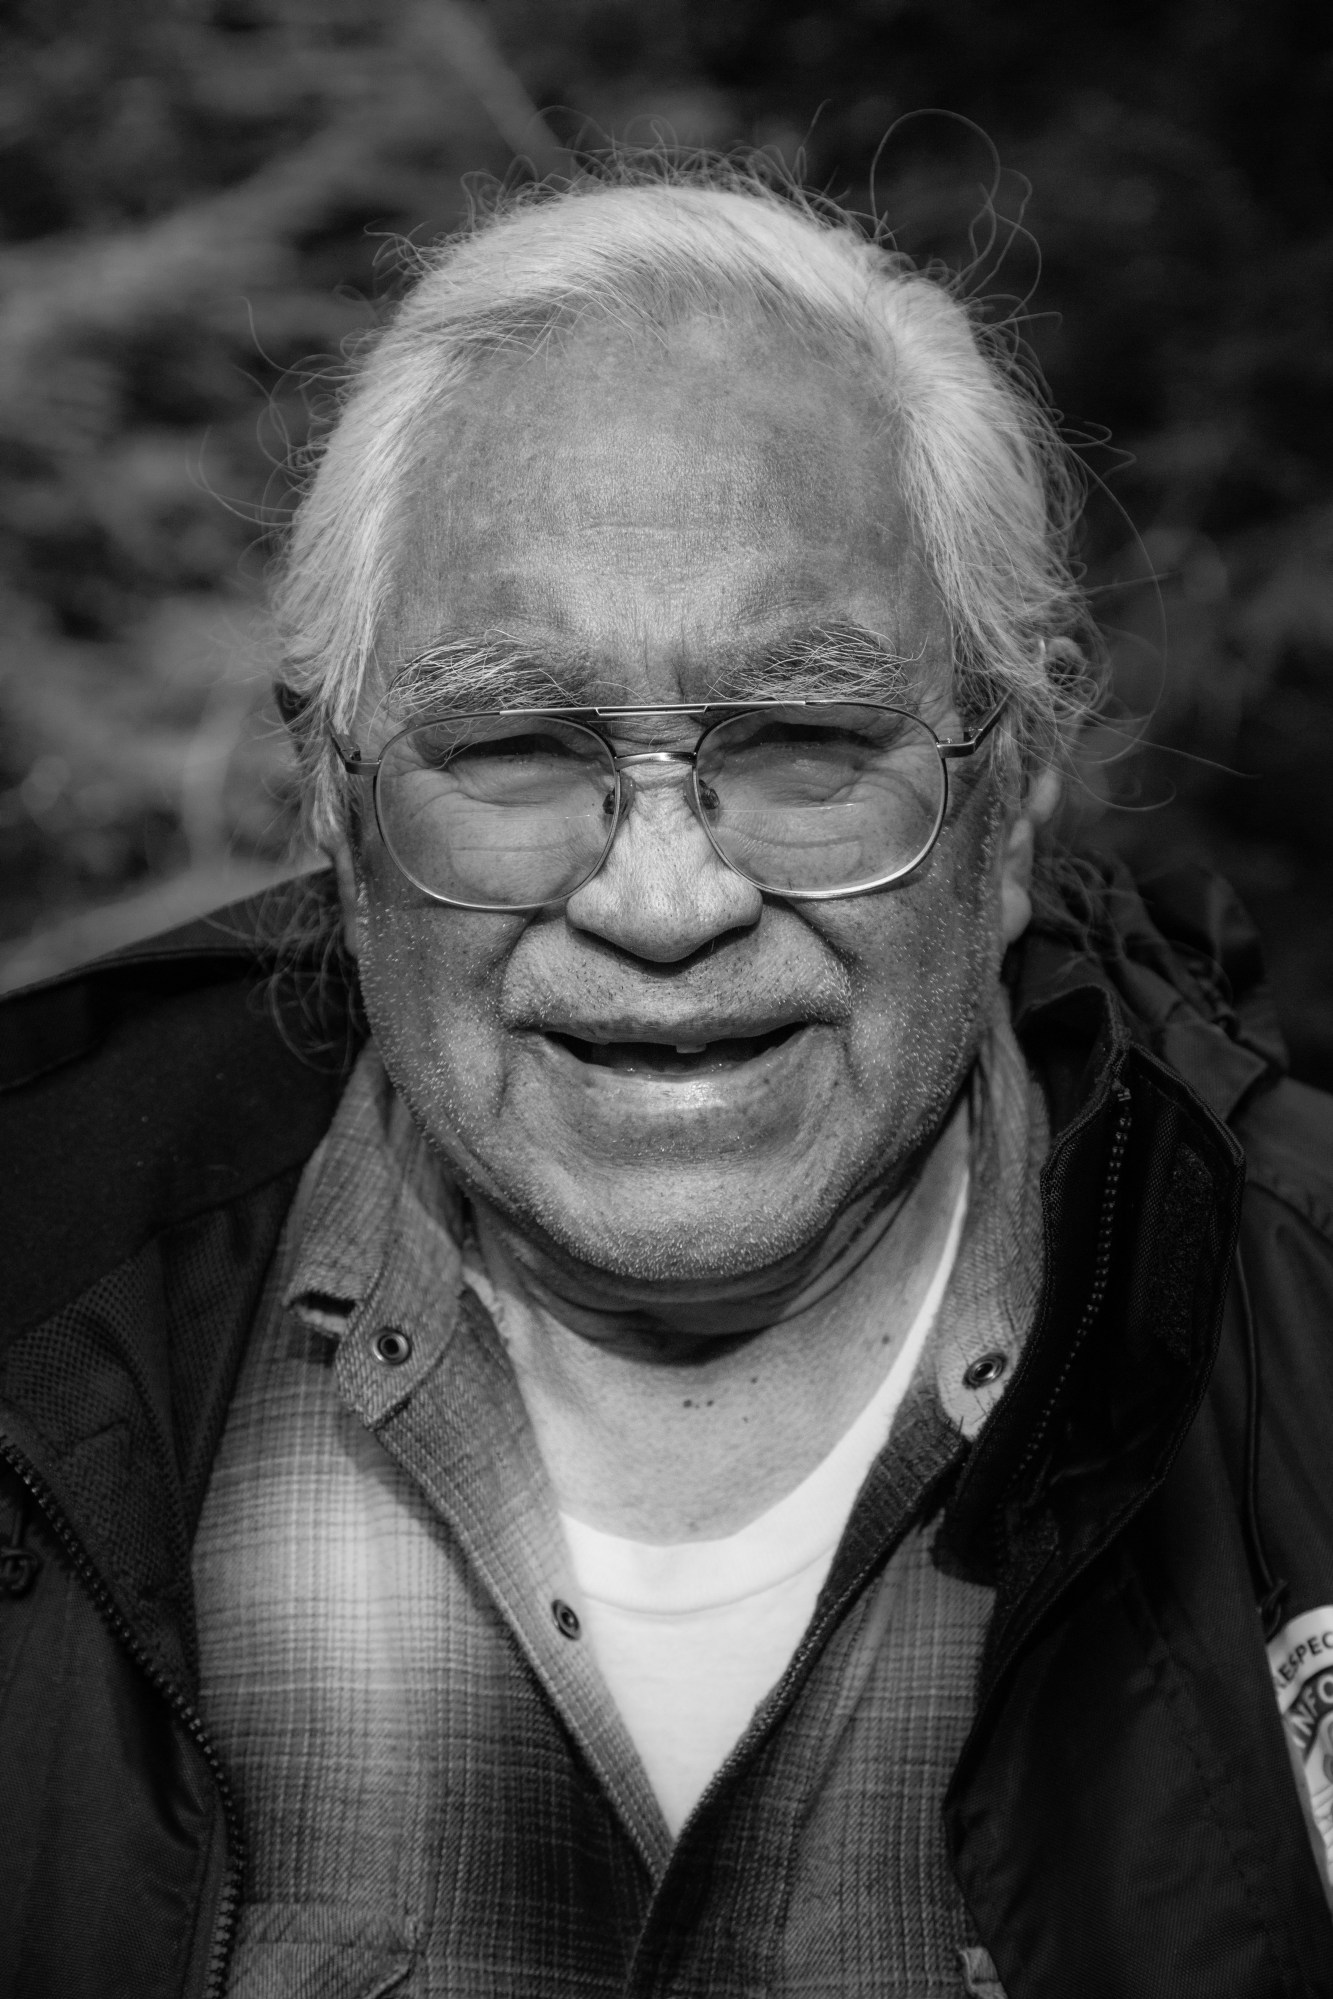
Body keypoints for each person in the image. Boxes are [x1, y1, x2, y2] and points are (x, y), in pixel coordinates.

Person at [2, 163, 1333, 1999]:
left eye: (800, 743)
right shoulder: (37, 1311)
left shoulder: (1309, 1348)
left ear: (1011, 791)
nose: (663, 896)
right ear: (338, 802)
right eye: (519, 744)